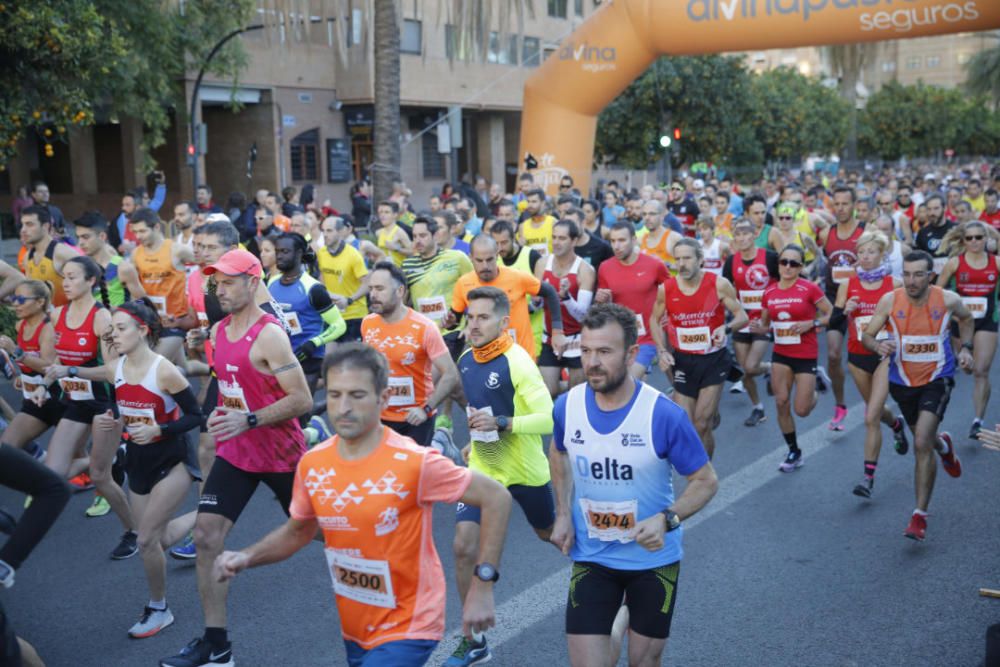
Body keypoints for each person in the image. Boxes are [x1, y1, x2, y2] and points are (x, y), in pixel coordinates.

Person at [212, 343, 512, 667]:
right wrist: (246, 557)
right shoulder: (313, 463)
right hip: (356, 626)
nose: (343, 408)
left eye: (357, 395)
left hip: (411, 623)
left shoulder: (414, 462)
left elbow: (496, 497)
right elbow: (299, 531)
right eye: (336, 395)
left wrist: (483, 585)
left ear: (382, 398)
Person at [160, 249, 313, 667]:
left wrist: (249, 418)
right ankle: (216, 644)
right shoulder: (218, 331)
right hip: (238, 453)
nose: (219, 289)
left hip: (281, 454)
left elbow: (302, 399)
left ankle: (378, 547)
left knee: (320, 531)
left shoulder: (270, 335)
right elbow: (229, 384)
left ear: (251, 282)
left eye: (227, 282)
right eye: (215, 282)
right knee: (208, 535)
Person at [548, 303, 718, 667]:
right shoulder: (566, 407)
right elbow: (558, 451)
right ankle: (618, 614)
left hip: (653, 559)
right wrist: (563, 512)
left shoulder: (663, 414)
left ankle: (624, 613)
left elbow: (706, 481)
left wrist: (667, 519)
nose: (592, 362)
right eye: (587, 350)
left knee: (642, 662)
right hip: (593, 555)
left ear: (631, 354)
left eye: (604, 352)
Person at [66, 299, 202, 638]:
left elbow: (195, 416)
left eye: (121, 328)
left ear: (142, 330)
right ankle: (209, 514)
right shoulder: (117, 369)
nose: (114, 335)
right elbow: (117, 394)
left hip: (173, 460)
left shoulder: (164, 370)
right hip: (140, 461)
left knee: (144, 540)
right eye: (111, 330)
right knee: (160, 537)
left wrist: (160, 430)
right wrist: (115, 418)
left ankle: (159, 609)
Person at [446, 287, 556, 667]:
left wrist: (504, 423)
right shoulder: (465, 358)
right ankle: (474, 640)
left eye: (483, 318)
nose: (473, 325)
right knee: (463, 546)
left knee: (552, 535)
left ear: (504, 322)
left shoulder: (518, 362)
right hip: (483, 469)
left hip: (524, 472)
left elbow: (549, 419)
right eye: (470, 317)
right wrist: (472, 443)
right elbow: (477, 412)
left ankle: (609, 573)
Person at [861, 251, 973, 541]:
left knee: (921, 442)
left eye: (918, 274)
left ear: (930, 276)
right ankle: (944, 446)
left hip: (938, 377)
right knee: (925, 439)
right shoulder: (890, 300)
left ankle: (919, 516)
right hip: (902, 380)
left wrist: (966, 349)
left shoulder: (947, 299)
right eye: (907, 274)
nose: (911, 280)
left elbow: (966, 317)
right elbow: (868, 335)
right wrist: (877, 347)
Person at [41, 257, 139, 557]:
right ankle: (116, 455)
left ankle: (133, 533)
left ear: (91, 281)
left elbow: (113, 371)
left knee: (99, 476)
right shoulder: (57, 314)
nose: (66, 283)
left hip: (104, 403)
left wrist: (71, 373)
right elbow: (62, 358)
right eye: (64, 278)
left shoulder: (102, 318)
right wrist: (45, 382)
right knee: (52, 473)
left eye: (72, 277)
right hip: (76, 401)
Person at [830, 231, 907, 498]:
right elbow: (835, 319)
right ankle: (896, 424)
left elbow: (908, 315)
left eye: (871, 252)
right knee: (878, 412)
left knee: (871, 416)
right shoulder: (848, 284)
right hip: (857, 355)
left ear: (882, 255)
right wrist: (845, 310)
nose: (865, 256)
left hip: (885, 354)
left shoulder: (895, 284)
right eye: (861, 252)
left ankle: (867, 478)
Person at [653, 239, 747, 459]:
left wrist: (726, 327)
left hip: (713, 360)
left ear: (700, 260)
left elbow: (742, 316)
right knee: (686, 424)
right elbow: (654, 320)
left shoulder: (719, 284)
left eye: (687, 258)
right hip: (684, 360)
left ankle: (704, 476)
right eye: (677, 259)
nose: (681, 264)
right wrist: (661, 350)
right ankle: (710, 415)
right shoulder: (666, 289)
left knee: (702, 424)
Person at [751, 244, 832, 472]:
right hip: (781, 354)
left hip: (805, 355)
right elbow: (765, 324)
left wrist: (812, 323)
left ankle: (816, 386)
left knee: (802, 410)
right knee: (780, 401)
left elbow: (831, 313)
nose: (788, 267)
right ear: (778, 264)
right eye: (784, 261)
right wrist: (758, 326)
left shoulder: (809, 289)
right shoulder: (769, 292)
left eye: (793, 263)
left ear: (800, 267)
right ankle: (794, 451)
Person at [362, 261, 460, 447]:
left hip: (415, 420)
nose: (373, 295)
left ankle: (441, 445)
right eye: (371, 289)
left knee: (413, 475)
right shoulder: (367, 323)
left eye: (380, 289)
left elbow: (450, 374)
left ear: (400, 291)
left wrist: (426, 408)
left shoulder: (425, 327)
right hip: (379, 417)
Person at [449, 235, 565, 363]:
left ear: (497, 255)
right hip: (486, 358)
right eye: (479, 260)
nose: (485, 266)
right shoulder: (463, 283)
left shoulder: (516, 277)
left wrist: (557, 331)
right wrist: (450, 323)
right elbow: (455, 319)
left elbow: (550, 291)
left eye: (489, 259)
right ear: (470, 258)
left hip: (521, 357)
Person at [936, 220, 1000, 439]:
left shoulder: (996, 263)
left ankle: (978, 421)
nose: (974, 242)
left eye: (979, 237)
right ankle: (965, 359)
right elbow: (937, 292)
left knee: (981, 370)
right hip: (961, 323)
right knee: (968, 368)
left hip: (986, 322)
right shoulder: (955, 263)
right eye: (970, 238)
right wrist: (948, 314)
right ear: (963, 240)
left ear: (986, 239)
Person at [595, 222, 672, 381]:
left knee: (626, 381)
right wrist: (601, 300)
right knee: (626, 386)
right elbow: (604, 307)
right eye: (613, 241)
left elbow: (672, 292)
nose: (616, 246)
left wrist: (669, 315)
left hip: (647, 338)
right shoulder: (605, 267)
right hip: (619, 338)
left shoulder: (654, 265)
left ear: (634, 240)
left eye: (622, 240)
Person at [268, 233, 346, 387]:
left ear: (298, 254)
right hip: (279, 357)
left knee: (301, 409)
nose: (279, 256)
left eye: (285, 252)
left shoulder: (313, 288)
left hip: (307, 358)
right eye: (277, 252)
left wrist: (313, 343)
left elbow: (339, 324)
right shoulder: (272, 282)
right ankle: (321, 407)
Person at [121, 208, 195, 369]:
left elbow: (206, 264)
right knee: (185, 369)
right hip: (151, 320)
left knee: (152, 368)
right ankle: (211, 372)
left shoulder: (177, 250)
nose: (138, 236)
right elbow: (135, 288)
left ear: (156, 227)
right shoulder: (136, 254)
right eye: (135, 232)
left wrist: (201, 294)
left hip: (175, 321)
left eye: (142, 231)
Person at [817, 186, 864, 431]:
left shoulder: (866, 232)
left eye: (846, 203)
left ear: (854, 204)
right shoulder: (827, 233)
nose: (841, 208)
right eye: (837, 204)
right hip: (836, 299)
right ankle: (840, 404)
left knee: (865, 357)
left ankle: (873, 400)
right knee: (834, 355)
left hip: (862, 301)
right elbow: (824, 263)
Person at [535, 220, 595, 397]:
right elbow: (536, 303)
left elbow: (582, 316)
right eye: (554, 237)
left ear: (574, 241)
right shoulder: (542, 263)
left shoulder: (585, 270)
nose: (556, 242)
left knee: (575, 394)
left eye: (562, 238)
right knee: (548, 392)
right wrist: (536, 301)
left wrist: (566, 297)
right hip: (551, 337)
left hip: (575, 340)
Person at [0, 281, 59, 456]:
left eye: (21, 299)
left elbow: (49, 367)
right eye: (14, 298)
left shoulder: (48, 328)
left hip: (58, 398)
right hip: (33, 400)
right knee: (7, 448)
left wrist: (15, 351)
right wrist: (23, 376)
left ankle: (112, 462)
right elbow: (29, 363)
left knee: (73, 459)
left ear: (40, 302)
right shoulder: (21, 325)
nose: (15, 304)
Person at [491, 220, 547, 357]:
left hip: (532, 328)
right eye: (496, 244)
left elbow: (543, 295)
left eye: (504, 243)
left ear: (514, 238)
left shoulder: (531, 256)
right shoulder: (492, 260)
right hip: (503, 331)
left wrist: (528, 306)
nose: (500, 248)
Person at [316, 216, 370, 342]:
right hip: (332, 316)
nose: (324, 234)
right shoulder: (322, 253)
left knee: (352, 359)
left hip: (354, 316)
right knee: (331, 358)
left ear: (340, 232)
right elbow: (322, 276)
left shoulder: (353, 255)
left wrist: (349, 300)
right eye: (323, 230)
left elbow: (367, 284)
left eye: (329, 231)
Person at [19, 205, 79, 308]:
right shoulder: (27, 256)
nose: (23, 230)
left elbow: (91, 278)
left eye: (29, 224)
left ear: (45, 226)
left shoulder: (63, 253)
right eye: (23, 224)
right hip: (43, 321)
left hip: (66, 321)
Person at [914, 194, 955, 277]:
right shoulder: (923, 232)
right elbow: (919, 258)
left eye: (936, 208)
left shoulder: (956, 229)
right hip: (932, 279)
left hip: (953, 277)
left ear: (944, 208)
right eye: (929, 209)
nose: (932, 213)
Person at [639, 200, 684, 273]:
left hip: (669, 283)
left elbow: (688, 266)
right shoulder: (640, 240)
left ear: (662, 216)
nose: (647, 218)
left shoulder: (674, 238)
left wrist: (665, 263)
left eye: (652, 214)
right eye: (644, 214)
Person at [375, 201, 413, 265]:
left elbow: (412, 251)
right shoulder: (378, 232)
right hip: (383, 269)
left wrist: (397, 249)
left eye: (387, 212)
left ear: (395, 215)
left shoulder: (399, 232)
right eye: (381, 212)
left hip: (396, 271)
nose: (382, 215)